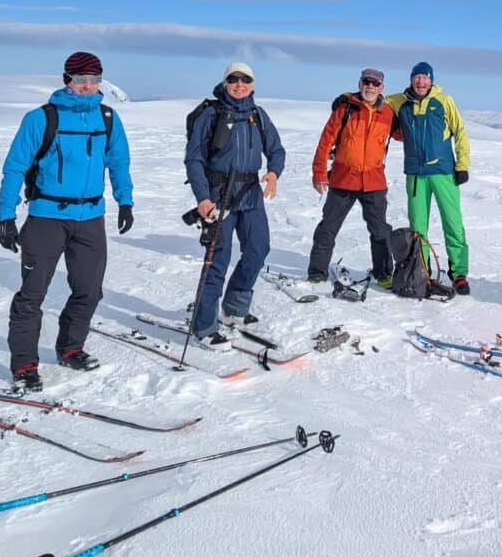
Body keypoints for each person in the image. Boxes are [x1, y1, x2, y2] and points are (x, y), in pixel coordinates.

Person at [0, 51, 134, 390]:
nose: (87, 86)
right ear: (66, 80)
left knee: (89, 291)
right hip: (47, 218)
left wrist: (125, 201)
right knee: (32, 295)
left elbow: (118, 162)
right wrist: (6, 215)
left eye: (94, 79)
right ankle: (24, 365)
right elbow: (15, 168)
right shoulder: (41, 118)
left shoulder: (108, 118)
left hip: (90, 218)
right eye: (80, 79)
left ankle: (70, 348)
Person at [184, 62, 286, 345]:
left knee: (257, 250)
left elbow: (277, 150)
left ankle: (234, 309)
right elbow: (194, 158)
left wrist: (274, 173)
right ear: (225, 82)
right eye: (233, 79)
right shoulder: (211, 114)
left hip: (251, 194)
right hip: (220, 195)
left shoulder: (258, 115)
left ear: (253, 84)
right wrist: (203, 198)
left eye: (245, 79)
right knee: (218, 259)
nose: (239, 84)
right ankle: (204, 327)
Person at [385, 62, 472, 294]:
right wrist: (347, 97)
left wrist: (462, 165)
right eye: (417, 77)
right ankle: (421, 270)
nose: (420, 81)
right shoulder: (400, 102)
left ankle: (459, 273)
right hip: (415, 175)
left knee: (452, 223)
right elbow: (374, 100)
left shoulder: (444, 101)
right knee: (418, 228)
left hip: (443, 173)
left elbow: (460, 132)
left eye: (425, 77)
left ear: (431, 80)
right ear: (411, 79)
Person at [307, 68, 396, 284]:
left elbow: (404, 134)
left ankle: (384, 274)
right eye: (366, 82)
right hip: (343, 179)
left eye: (375, 83)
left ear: (382, 88)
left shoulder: (388, 113)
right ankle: (317, 272)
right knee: (328, 227)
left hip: (374, 181)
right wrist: (319, 172)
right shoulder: (345, 109)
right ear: (359, 84)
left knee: (380, 230)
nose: (370, 87)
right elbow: (326, 141)